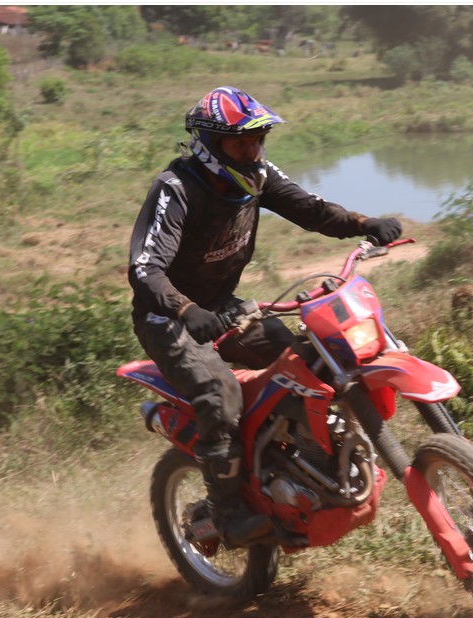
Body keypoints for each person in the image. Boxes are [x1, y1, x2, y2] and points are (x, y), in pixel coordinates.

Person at [127, 86, 402, 547]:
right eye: (240, 142)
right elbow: (145, 269)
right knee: (220, 393)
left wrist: (363, 224)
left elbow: (311, 209)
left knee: (307, 362)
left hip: (224, 306)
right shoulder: (176, 189)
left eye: (258, 139)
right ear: (209, 144)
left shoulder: (257, 176)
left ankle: (299, 465)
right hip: (168, 318)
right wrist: (186, 309)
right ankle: (228, 510)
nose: (252, 150)